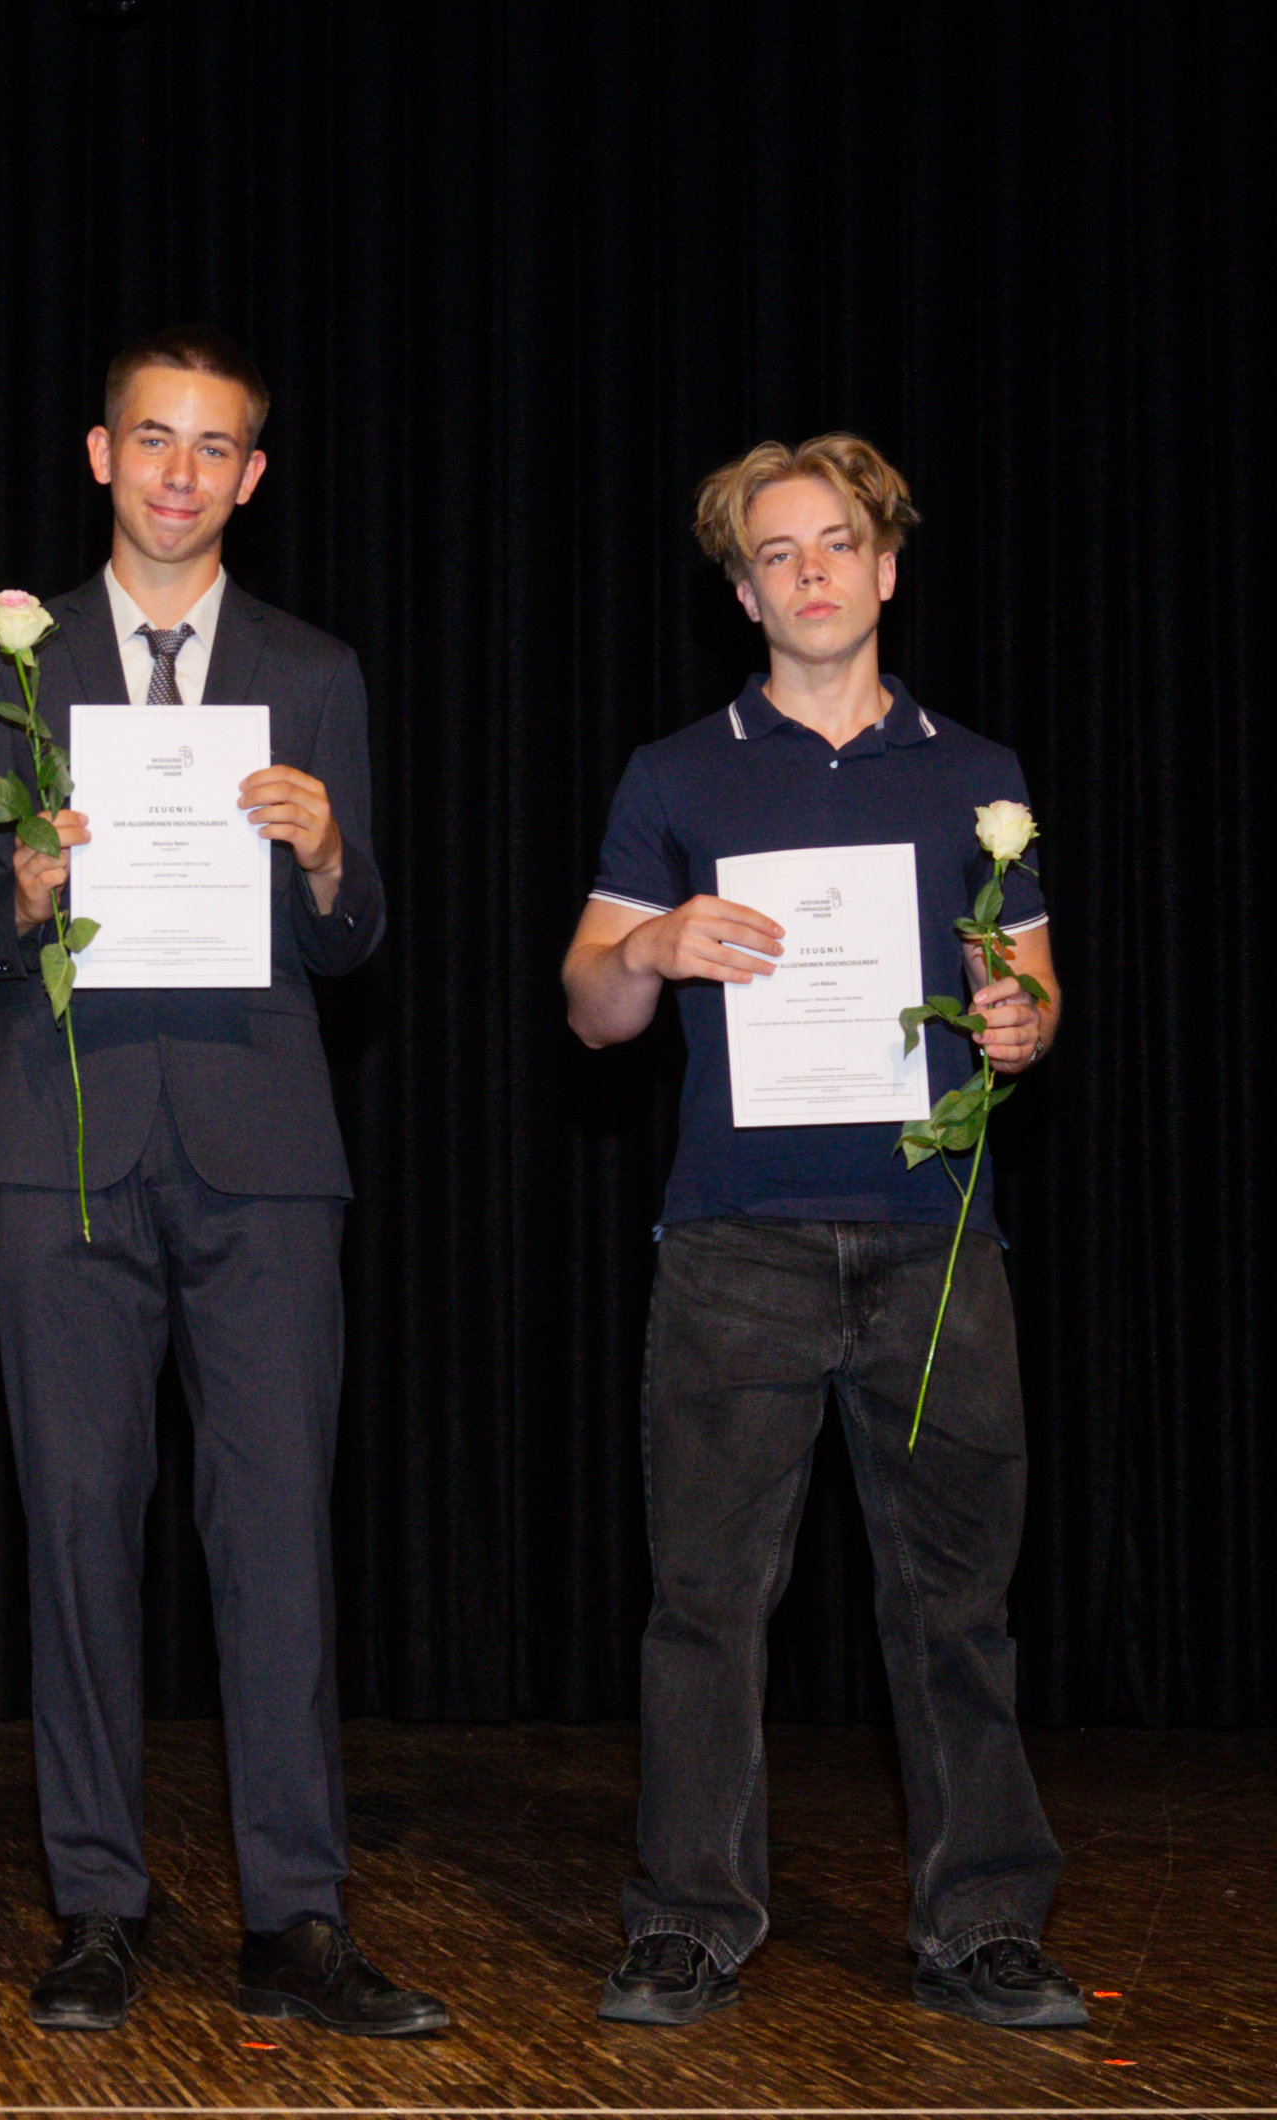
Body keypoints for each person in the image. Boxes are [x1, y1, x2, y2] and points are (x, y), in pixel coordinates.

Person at [0, 327, 440, 2038]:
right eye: (155, 438)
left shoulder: (314, 669)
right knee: (77, 1529)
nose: (180, 472)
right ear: (102, 453)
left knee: (276, 1533)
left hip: (264, 1158)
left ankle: (298, 1915)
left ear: (252, 477)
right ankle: (96, 1903)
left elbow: (357, 939)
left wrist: (329, 854)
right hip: (58, 1147)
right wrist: (21, 888)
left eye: (215, 447)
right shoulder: (16, 661)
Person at [563, 434, 1081, 2031]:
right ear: (741, 592)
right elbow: (591, 1010)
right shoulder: (677, 774)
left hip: (938, 1241)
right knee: (707, 1606)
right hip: (737, 1245)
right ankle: (688, 1921)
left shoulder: (975, 771)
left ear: (886, 567)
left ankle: (984, 1921)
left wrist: (1023, 1025)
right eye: (777, 552)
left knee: (957, 1605)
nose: (811, 572)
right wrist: (651, 945)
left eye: (837, 543)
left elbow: (1034, 988)